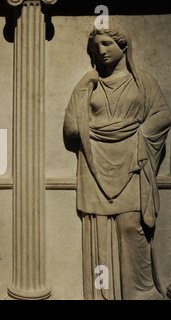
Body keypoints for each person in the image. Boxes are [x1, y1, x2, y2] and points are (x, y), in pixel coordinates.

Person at [63, 22, 171, 300]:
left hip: (132, 162)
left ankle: (142, 292)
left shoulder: (142, 81)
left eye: (107, 44)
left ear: (123, 46)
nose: (101, 51)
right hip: (94, 162)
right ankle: (104, 294)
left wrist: (139, 136)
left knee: (131, 227)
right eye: (96, 47)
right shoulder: (90, 85)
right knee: (100, 231)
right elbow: (72, 129)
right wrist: (80, 87)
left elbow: (162, 115)